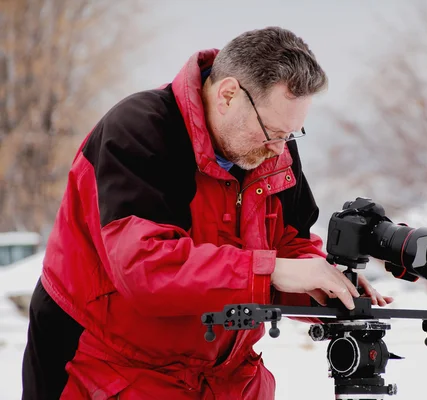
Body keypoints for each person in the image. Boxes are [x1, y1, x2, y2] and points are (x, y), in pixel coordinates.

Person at [21, 26, 393, 399]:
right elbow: (146, 268)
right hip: (107, 370)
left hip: (223, 379)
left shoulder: (271, 150)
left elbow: (288, 245)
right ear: (229, 95)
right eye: (271, 131)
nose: (278, 148)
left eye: (291, 135)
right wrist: (275, 271)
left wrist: (325, 288)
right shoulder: (140, 131)